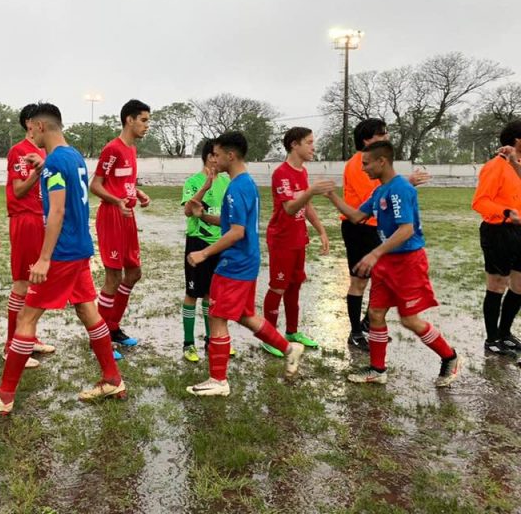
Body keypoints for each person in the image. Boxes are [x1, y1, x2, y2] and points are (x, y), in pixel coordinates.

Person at [0, 103, 125, 413]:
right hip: (80, 249)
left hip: (62, 254)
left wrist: (43, 258)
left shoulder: (55, 163)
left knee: (27, 318)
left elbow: (57, 210)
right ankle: (112, 379)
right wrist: (43, 165)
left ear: (39, 127)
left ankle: (5, 395)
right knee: (87, 312)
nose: (30, 136)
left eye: (31, 130)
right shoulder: (74, 156)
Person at [326, 140, 461, 387]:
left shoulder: (399, 189)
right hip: (387, 262)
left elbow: (406, 229)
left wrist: (374, 253)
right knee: (376, 313)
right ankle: (378, 370)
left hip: (407, 262)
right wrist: (332, 195)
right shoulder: (379, 191)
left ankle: (450, 357)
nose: (363, 169)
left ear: (382, 161)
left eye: (366, 164)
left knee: (409, 319)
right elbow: (356, 216)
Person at [185, 132, 305, 397]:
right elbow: (231, 224)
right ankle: (289, 349)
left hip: (234, 264)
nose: (212, 159)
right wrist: (203, 215)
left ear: (230, 155)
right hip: (246, 262)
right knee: (244, 315)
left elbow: (237, 232)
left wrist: (203, 254)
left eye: (216, 154)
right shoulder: (244, 184)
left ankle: (218, 380)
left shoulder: (237, 187)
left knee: (217, 316)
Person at [341, 119, 431, 351]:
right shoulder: (359, 164)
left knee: (380, 280)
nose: (387, 137)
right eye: (381, 134)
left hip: (376, 228)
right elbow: (371, 199)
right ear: (367, 140)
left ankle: (369, 324)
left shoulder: (377, 162)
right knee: (359, 281)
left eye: (386, 133)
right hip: (359, 228)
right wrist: (405, 183)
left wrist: (403, 186)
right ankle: (356, 332)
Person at [262, 127, 333, 357]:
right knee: (278, 286)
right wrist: (311, 191)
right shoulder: (281, 173)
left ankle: (292, 332)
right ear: (294, 144)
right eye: (309, 142)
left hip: (297, 239)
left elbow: (306, 205)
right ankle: (268, 336)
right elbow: (291, 208)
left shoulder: (302, 172)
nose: (313, 147)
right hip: (281, 240)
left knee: (295, 286)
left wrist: (321, 230)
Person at [91, 99, 151, 353]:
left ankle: (112, 327)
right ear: (130, 119)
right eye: (144, 120)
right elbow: (95, 185)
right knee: (113, 277)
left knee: (134, 273)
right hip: (112, 216)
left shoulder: (132, 150)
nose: (147, 125)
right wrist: (117, 201)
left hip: (127, 217)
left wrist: (137, 193)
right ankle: (99, 339)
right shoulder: (112, 149)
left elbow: (123, 182)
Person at [4, 104, 55, 367]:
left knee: (37, 283)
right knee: (22, 283)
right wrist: (38, 172)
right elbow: (19, 190)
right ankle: (11, 346)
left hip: (42, 220)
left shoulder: (45, 151)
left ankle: (29, 337)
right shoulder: (19, 151)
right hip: (25, 221)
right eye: (38, 121)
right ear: (29, 123)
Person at [180, 139, 233, 362]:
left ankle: (212, 340)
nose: (218, 159)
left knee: (212, 295)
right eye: (215, 155)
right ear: (209, 157)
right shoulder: (193, 182)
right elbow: (188, 211)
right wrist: (205, 187)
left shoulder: (227, 182)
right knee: (193, 294)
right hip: (197, 242)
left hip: (218, 244)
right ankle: (188, 344)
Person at [471, 119, 521, 355]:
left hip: (519, 231)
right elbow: (480, 201)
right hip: (498, 231)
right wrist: (505, 213)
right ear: (517, 140)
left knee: (519, 286)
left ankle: (505, 333)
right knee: (497, 285)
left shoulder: (517, 165)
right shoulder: (494, 166)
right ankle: (491, 340)